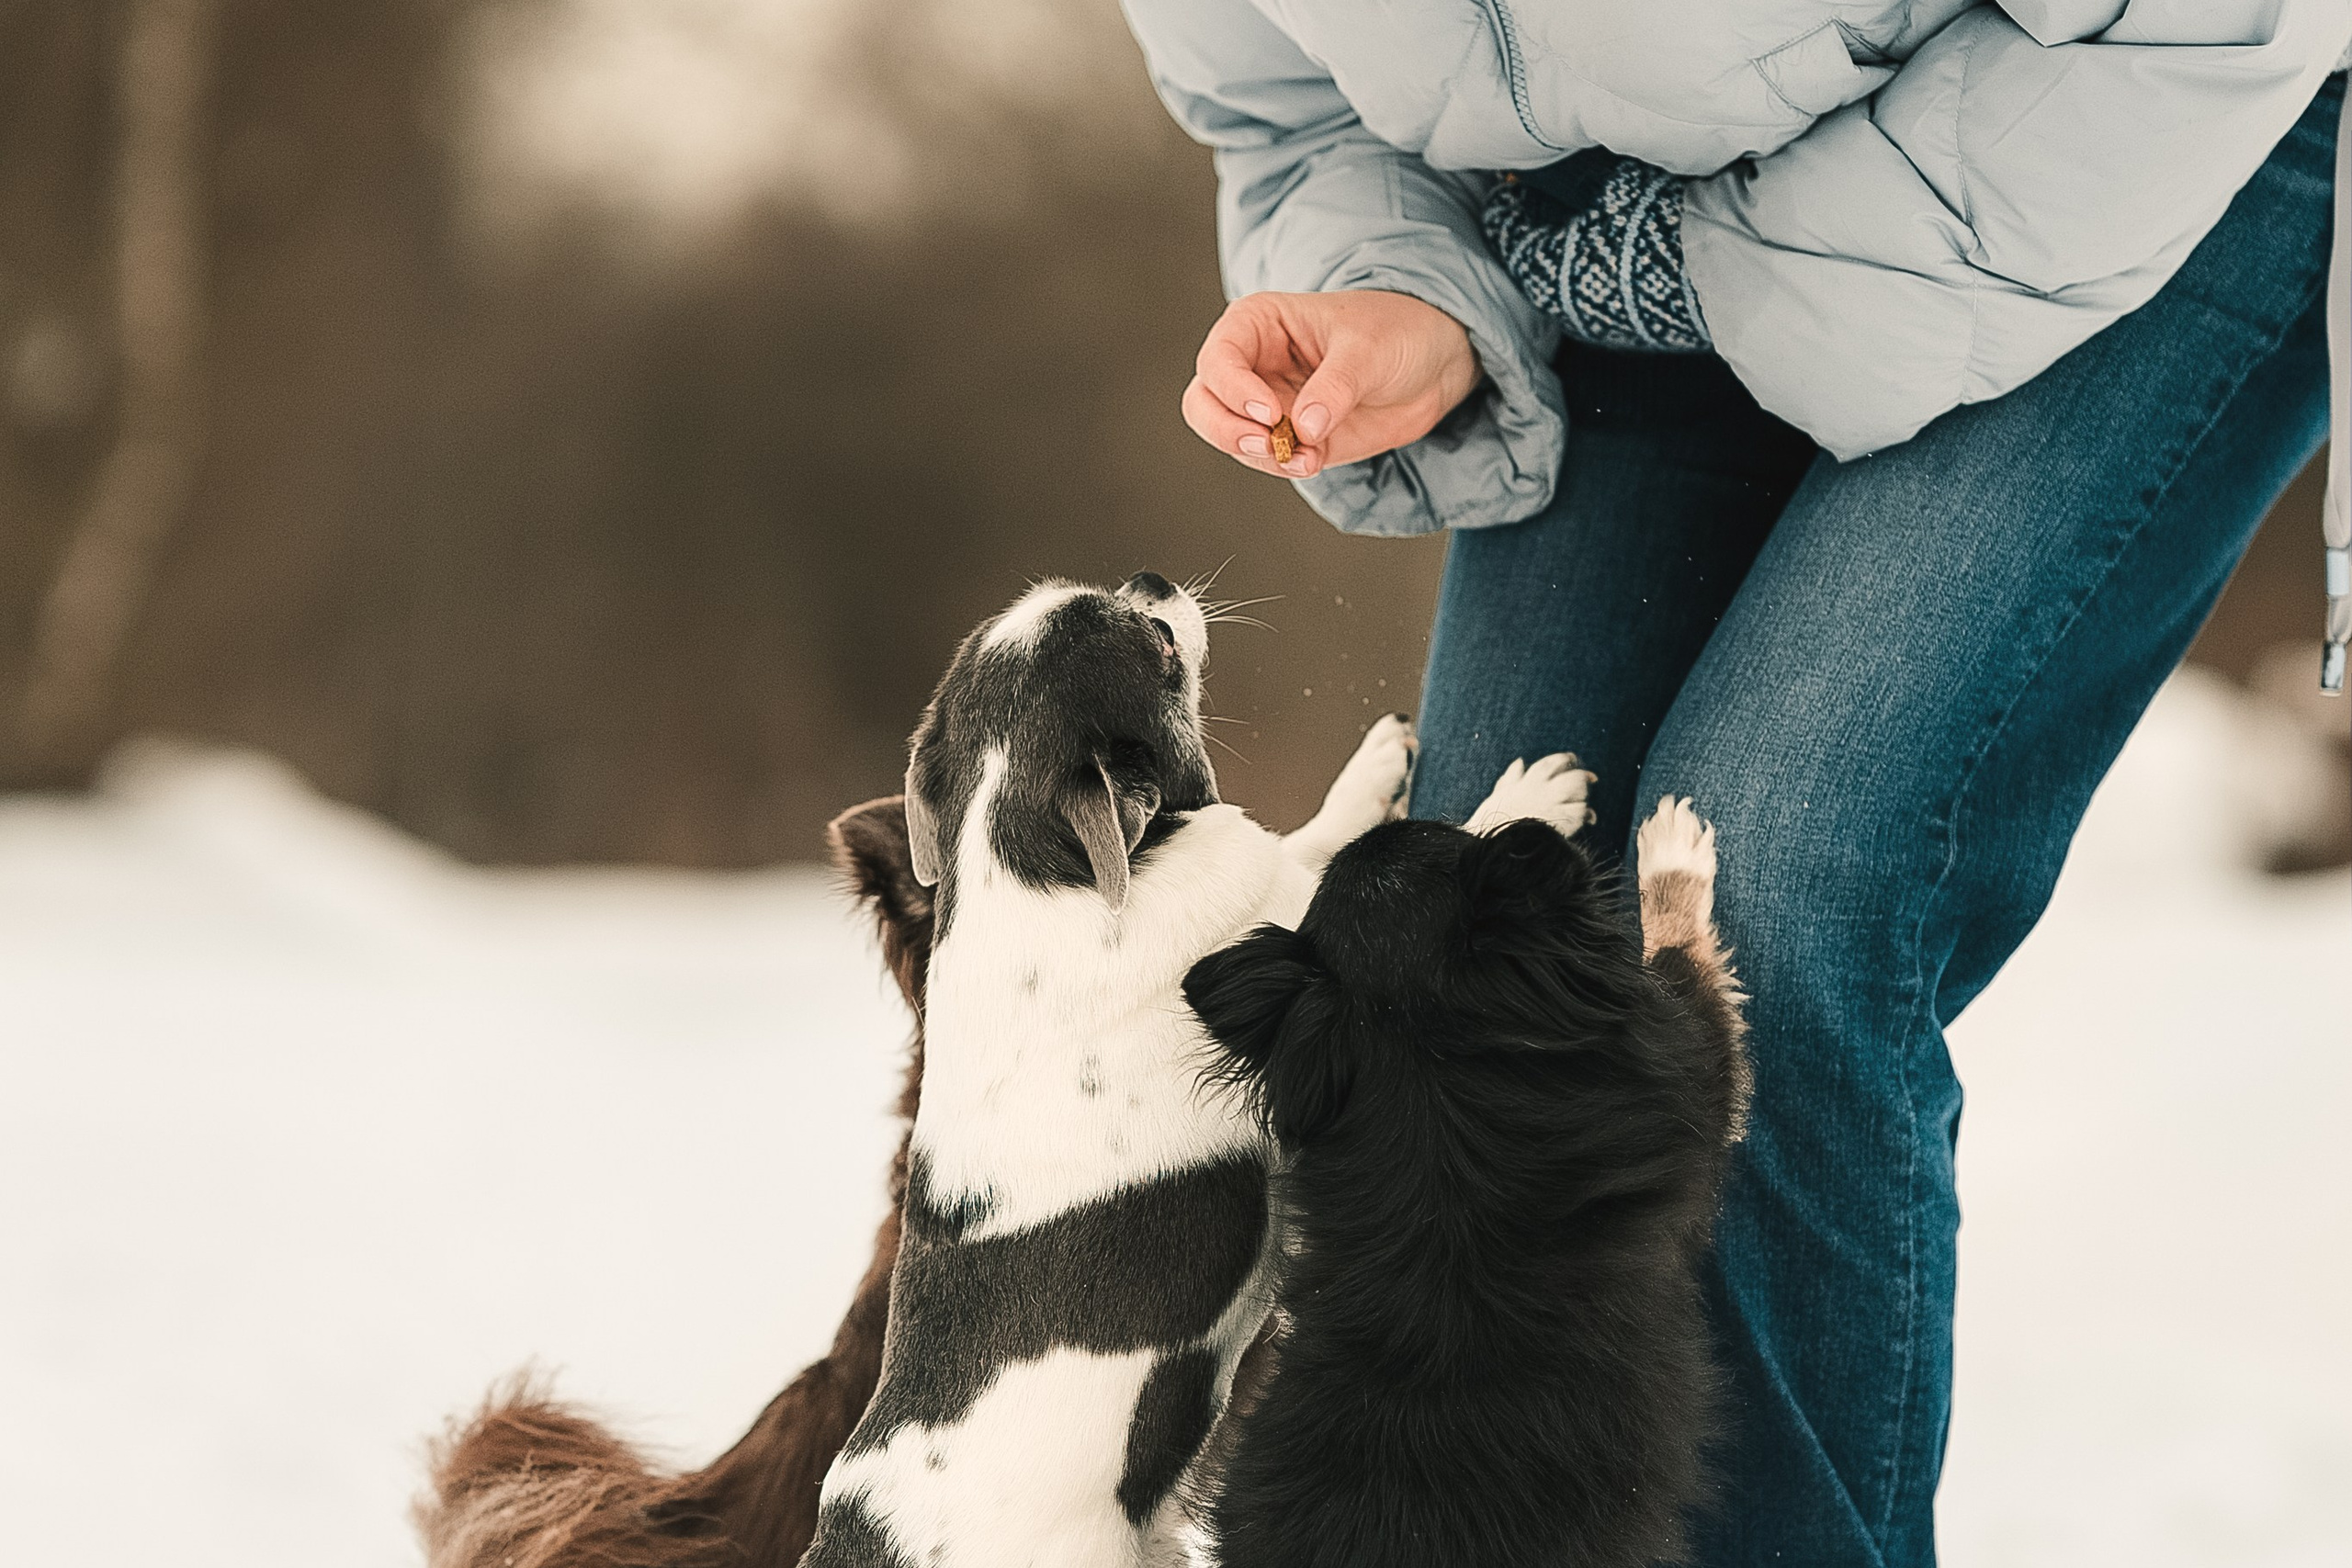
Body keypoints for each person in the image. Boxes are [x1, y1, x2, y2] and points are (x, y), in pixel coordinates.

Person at [1114, 4, 2352, 1565]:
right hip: (1625, 216)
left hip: (2142, 128)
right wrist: (1402, 283)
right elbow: (1288, 100)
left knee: (1769, 886)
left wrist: (1703, 264)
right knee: (1448, 978)